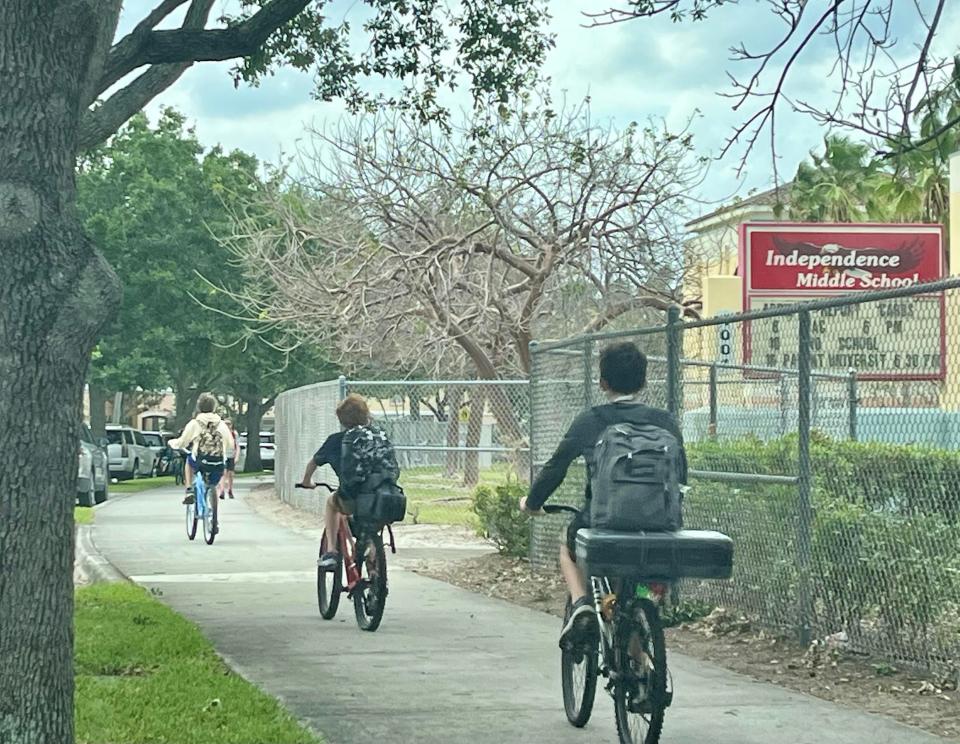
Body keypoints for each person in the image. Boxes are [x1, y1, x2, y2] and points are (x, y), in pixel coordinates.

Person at [520, 342, 687, 646]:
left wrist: (532, 503)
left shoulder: (592, 420)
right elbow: (682, 478)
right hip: (659, 527)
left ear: (603, 382)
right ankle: (642, 649)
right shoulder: (665, 422)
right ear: (644, 380)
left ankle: (582, 603)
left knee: (567, 547)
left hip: (601, 524)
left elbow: (556, 467)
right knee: (644, 589)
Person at [300, 394, 374, 568]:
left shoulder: (336, 440)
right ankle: (374, 557)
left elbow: (313, 463)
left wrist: (306, 481)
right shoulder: (377, 437)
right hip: (381, 494)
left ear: (342, 419)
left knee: (331, 503)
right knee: (372, 526)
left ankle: (332, 551)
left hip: (353, 497)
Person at [169, 393, 234, 505]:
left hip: (200, 461)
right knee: (213, 481)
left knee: (189, 461)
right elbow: (230, 444)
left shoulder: (195, 423)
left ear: (199, 407)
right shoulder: (222, 425)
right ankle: (213, 513)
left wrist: (172, 443)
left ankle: (189, 489)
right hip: (218, 463)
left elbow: (183, 441)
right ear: (214, 407)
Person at [221, 418, 238, 500]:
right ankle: (222, 490)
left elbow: (237, 446)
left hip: (231, 455)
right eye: (226, 424)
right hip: (223, 456)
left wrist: (236, 456)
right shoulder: (221, 434)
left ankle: (230, 490)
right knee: (223, 473)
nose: (227, 426)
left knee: (230, 474)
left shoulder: (234, 434)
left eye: (229, 424)